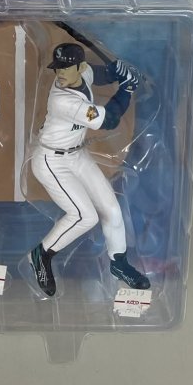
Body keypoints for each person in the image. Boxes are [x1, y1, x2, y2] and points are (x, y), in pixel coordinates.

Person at [27, 42, 150, 297]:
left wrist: (117, 70)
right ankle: (41, 254)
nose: (60, 73)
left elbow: (100, 73)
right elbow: (110, 120)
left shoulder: (83, 75)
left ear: (80, 67)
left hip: (76, 154)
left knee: (112, 210)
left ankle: (119, 264)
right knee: (85, 216)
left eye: (66, 67)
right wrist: (127, 88)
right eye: (58, 67)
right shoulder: (62, 100)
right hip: (51, 162)